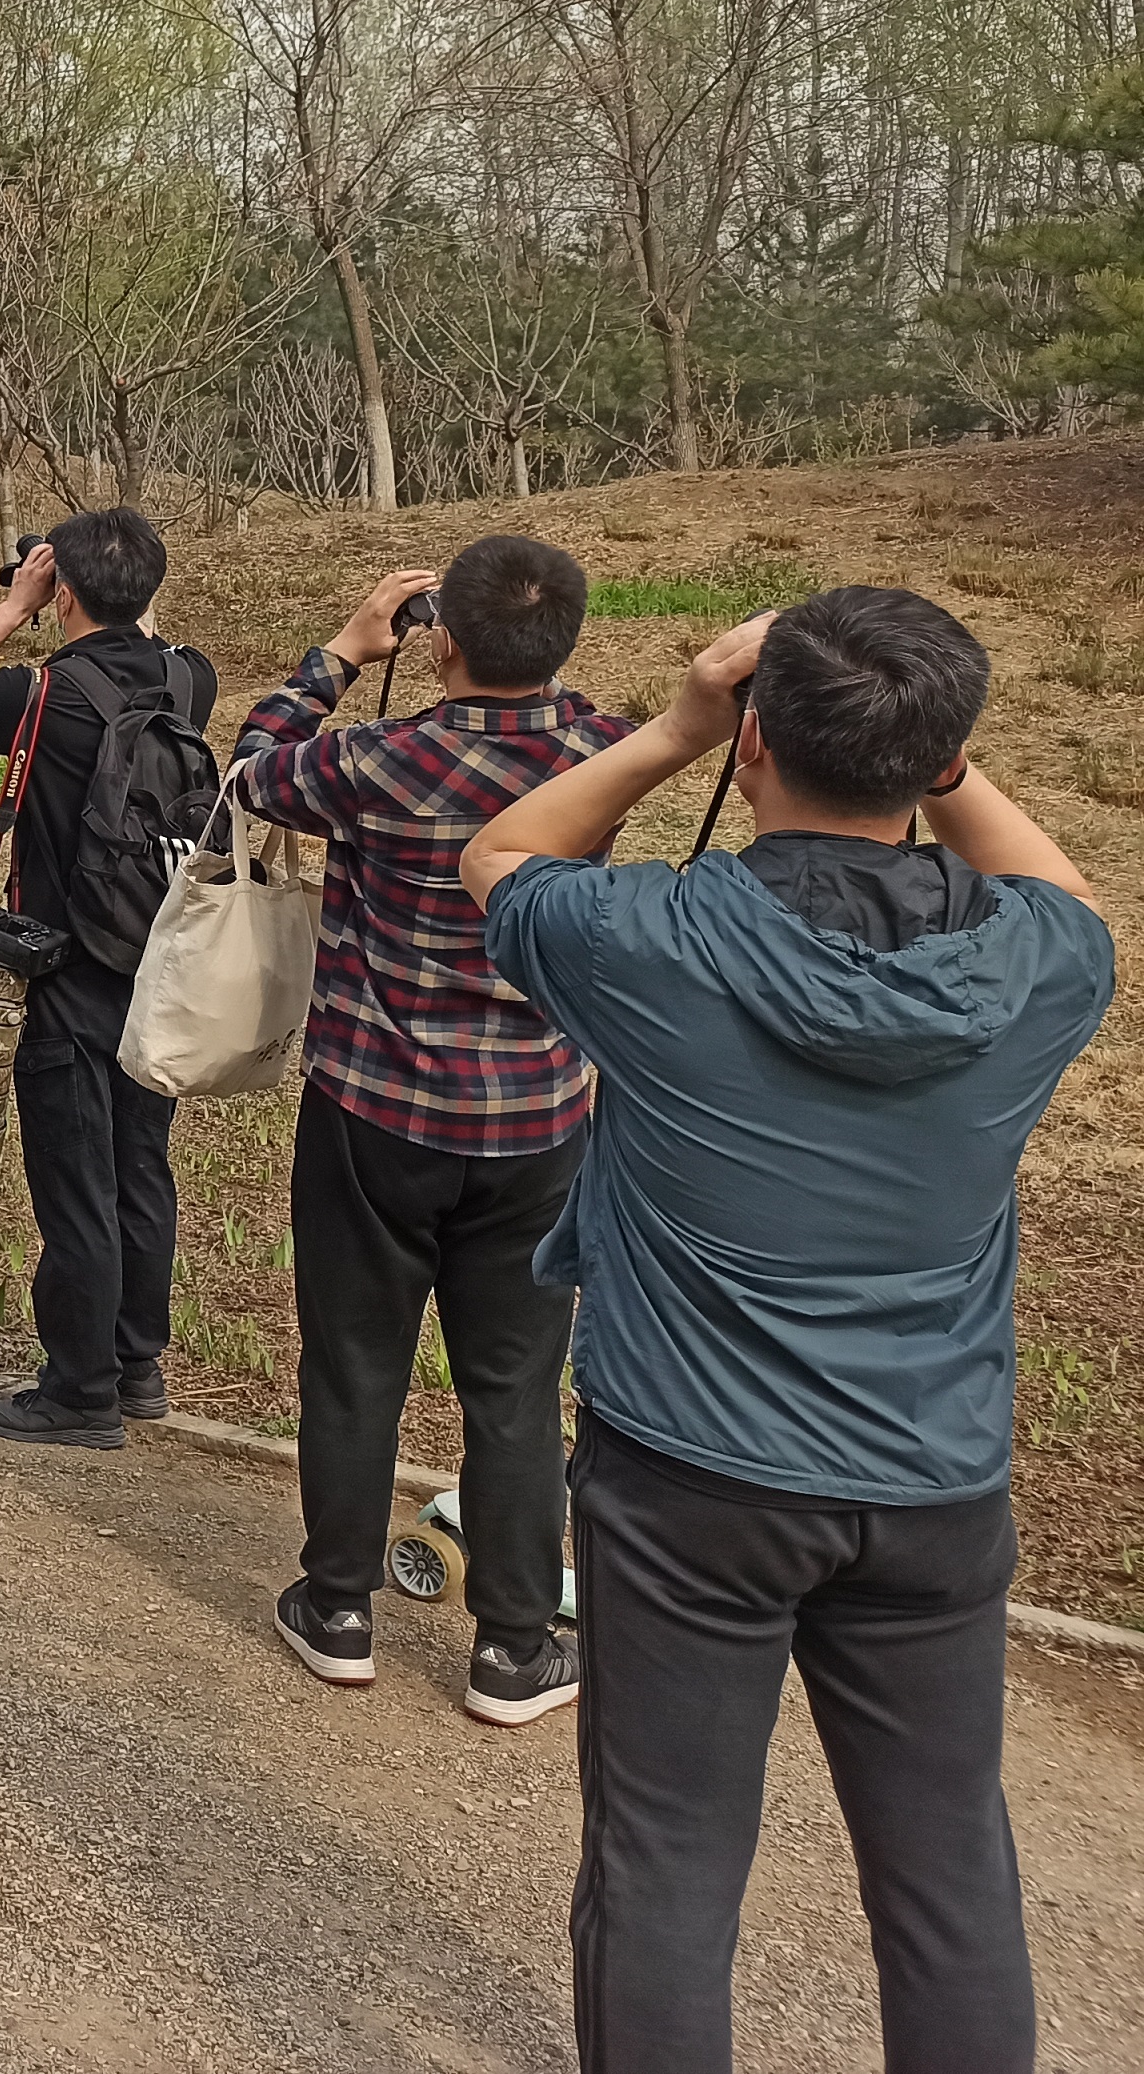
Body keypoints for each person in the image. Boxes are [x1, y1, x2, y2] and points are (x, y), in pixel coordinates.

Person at [464, 592, 1113, 2073]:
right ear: (939, 759)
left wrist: (677, 726)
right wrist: (938, 758)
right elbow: (1062, 890)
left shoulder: (647, 937)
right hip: (937, 1481)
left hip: (688, 1482)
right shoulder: (1041, 966)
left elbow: (501, 854)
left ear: (753, 742)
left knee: (667, 1863)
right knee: (949, 1875)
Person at [235, 541, 628, 1724]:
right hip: (536, 1117)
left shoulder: (373, 761)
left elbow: (249, 770)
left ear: (439, 640)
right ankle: (514, 1642)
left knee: (353, 1360)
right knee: (516, 1383)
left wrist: (344, 651)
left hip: (373, 1106)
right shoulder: (603, 752)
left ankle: (336, 1608)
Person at [0, 508, 216, 1451]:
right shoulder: (192, 678)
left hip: (67, 967)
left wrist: (15, 605)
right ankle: (136, 1367)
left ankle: (81, 1391)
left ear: (66, 592)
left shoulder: (42, 693)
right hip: (158, 963)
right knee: (141, 1164)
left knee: (77, 1179)